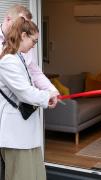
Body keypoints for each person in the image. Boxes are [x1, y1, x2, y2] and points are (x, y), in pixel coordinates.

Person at [0, 17, 56, 180]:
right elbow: (25, 92)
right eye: (34, 41)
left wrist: (50, 93)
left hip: (25, 134)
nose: (34, 45)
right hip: (16, 135)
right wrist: (48, 96)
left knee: (36, 175)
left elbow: (33, 83)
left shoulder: (19, 57)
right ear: (23, 36)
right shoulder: (8, 61)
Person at [0, 4, 59, 108]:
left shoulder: (24, 45)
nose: (23, 28)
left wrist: (52, 90)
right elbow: (24, 91)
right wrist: (45, 97)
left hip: (23, 109)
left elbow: (35, 72)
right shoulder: (7, 59)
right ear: (8, 19)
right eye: (21, 23)